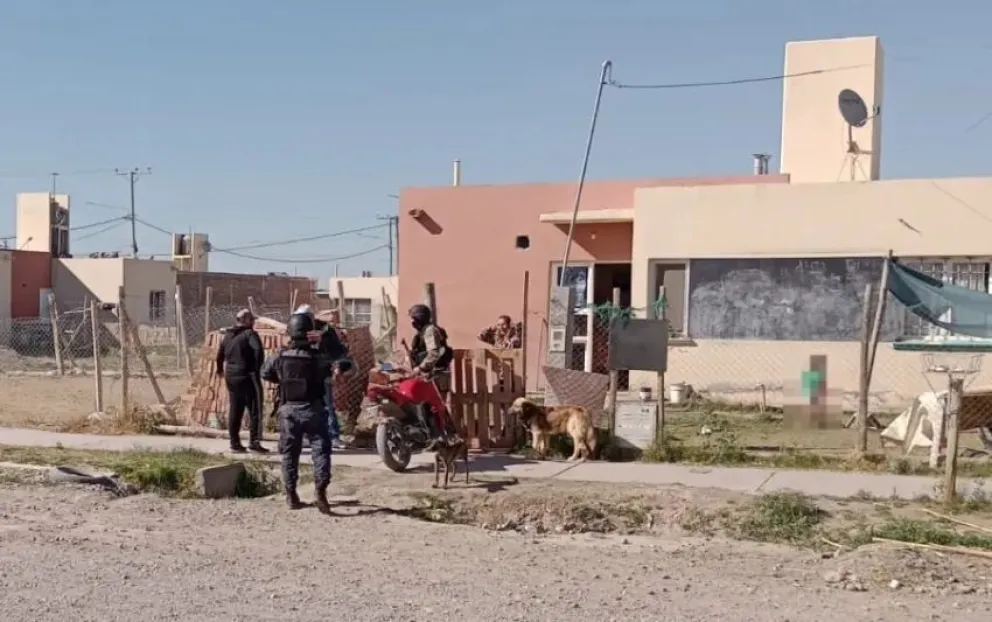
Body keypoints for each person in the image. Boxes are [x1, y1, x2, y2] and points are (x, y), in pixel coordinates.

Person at [261, 312, 339, 512]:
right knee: (321, 450)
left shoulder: (280, 355)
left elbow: (265, 372)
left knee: (289, 454)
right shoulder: (318, 357)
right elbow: (331, 368)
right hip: (313, 409)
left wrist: (284, 380)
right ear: (309, 333)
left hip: (289, 411)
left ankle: (291, 495)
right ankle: (320, 492)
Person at [294, 304, 352, 449]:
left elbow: (337, 350)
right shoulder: (296, 328)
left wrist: (338, 364)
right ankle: (306, 436)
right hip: (303, 374)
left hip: (322, 372)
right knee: (304, 406)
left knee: (327, 405)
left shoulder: (325, 329)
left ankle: (334, 436)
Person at [407, 304, 459, 450]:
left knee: (436, 408)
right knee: (427, 407)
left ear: (419, 318)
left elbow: (434, 353)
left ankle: (450, 439)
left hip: (436, 374)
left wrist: (421, 368)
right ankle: (438, 439)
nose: (412, 323)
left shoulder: (430, 331)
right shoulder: (423, 332)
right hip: (429, 375)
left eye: (414, 318)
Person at [215, 308, 267, 454]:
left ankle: (235, 443)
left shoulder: (229, 335)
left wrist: (220, 369)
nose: (254, 323)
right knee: (255, 408)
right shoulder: (250, 334)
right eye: (252, 320)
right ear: (246, 321)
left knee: (235, 409)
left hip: (231, 376)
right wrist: (256, 368)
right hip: (248, 375)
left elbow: (220, 354)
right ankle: (254, 442)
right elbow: (258, 351)